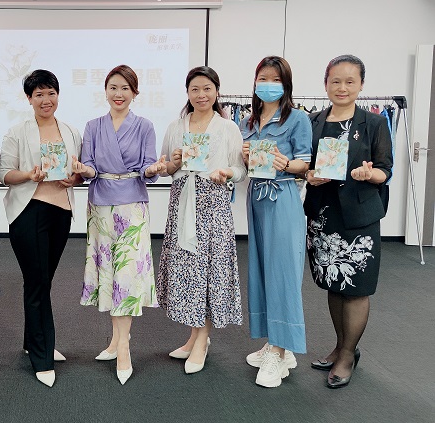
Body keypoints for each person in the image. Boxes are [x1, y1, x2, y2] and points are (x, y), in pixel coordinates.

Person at [73, 65, 166, 385]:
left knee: (126, 274)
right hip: (100, 204)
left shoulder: (145, 126)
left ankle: (124, 347)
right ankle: (115, 341)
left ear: (135, 93)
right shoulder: (93, 126)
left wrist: (153, 169)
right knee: (110, 273)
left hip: (132, 205)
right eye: (113, 87)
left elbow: (149, 167)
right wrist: (83, 170)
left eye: (125, 88)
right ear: (105, 91)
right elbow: (89, 166)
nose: (118, 93)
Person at [304, 55, 392, 389]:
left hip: (359, 218)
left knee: (356, 289)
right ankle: (341, 345)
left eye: (350, 81)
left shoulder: (374, 123)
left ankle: (347, 355)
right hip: (323, 215)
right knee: (334, 283)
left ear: (361, 85)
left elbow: (385, 169)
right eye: (335, 81)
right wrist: (309, 175)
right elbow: (305, 164)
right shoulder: (312, 121)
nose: (342, 87)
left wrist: (371, 175)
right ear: (325, 83)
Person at [157, 66, 246, 375]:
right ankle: (195, 336)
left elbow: (241, 170)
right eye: (195, 89)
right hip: (182, 203)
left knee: (208, 271)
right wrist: (173, 163)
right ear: (188, 93)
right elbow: (165, 168)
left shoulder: (228, 128)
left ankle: (202, 340)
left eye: (207, 88)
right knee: (189, 271)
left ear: (217, 91)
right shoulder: (176, 126)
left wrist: (227, 173)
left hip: (213, 206)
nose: (201, 94)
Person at [0, 69, 82, 388]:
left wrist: (75, 178)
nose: (46, 100)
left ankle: (31, 341)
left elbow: (78, 171)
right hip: (29, 211)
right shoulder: (17, 132)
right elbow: (4, 174)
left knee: (42, 281)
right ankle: (42, 356)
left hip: (61, 212)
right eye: (39, 95)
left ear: (58, 95)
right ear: (29, 98)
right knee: (37, 282)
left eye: (51, 93)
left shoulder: (70, 130)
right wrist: (29, 175)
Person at [240, 55, 312, 388]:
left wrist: (286, 163)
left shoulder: (297, 119)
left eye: (275, 79)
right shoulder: (248, 121)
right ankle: (275, 342)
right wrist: (243, 156)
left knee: (283, 273)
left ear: (286, 84)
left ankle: (279, 352)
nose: (268, 85)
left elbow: (305, 164)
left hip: (282, 198)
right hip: (256, 199)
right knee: (261, 271)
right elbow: (246, 166)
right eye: (263, 79)